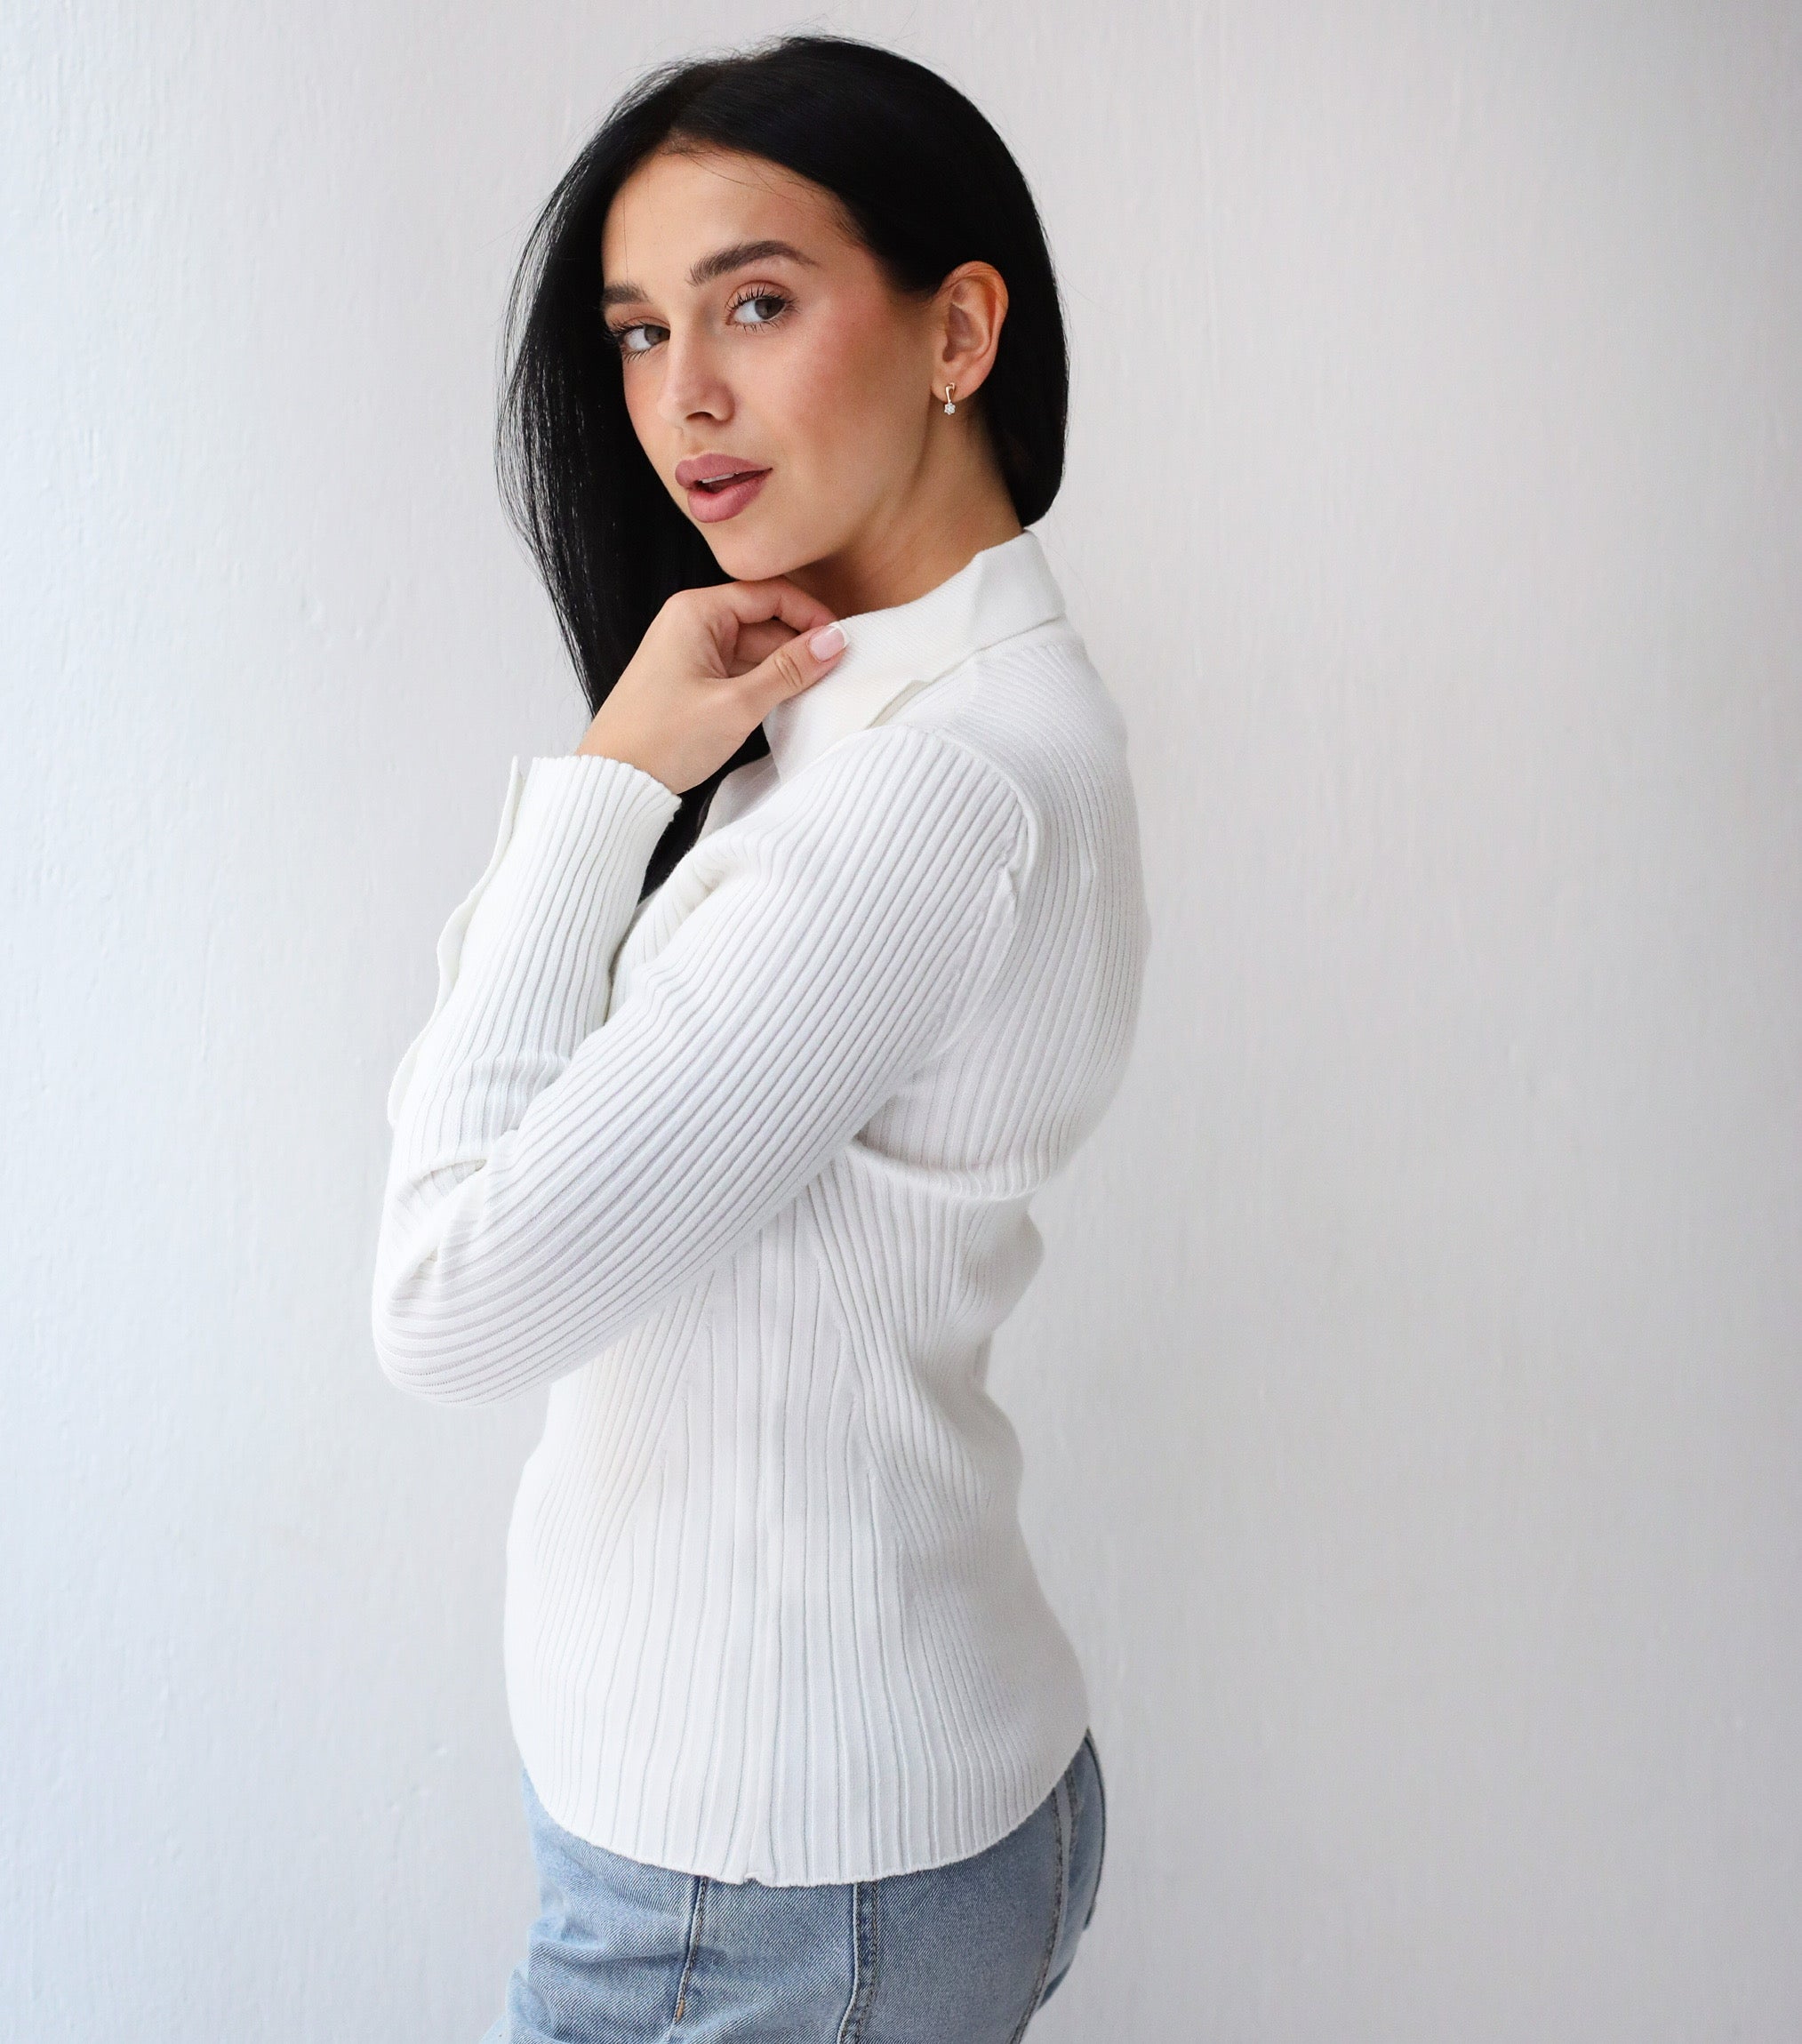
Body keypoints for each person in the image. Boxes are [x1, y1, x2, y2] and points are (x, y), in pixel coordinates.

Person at [371, 30, 1150, 2041]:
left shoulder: (926, 791)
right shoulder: (890, 717)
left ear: (959, 329)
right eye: (640, 332)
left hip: (766, 1898)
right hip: (809, 1843)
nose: (680, 399)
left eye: (757, 304)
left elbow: (450, 1297)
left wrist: (605, 786)